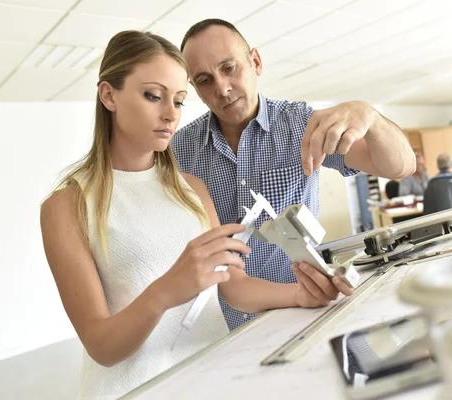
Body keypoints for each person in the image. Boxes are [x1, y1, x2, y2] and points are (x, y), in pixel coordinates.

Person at [39, 30, 353, 400]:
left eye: (180, 100)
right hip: (135, 389)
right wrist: (168, 289)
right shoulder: (67, 206)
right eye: (153, 96)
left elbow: (233, 288)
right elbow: (101, 346)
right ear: (109, 95)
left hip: (213, 378)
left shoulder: (191, 189)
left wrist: (302, 295)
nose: (170, 114)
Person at [171, 18, 416, 330]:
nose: (222, 87)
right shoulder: (181, 152)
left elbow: (400, 166)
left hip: (305, 312)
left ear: (255, 61)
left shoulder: (300, 124)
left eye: (229, 67)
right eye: (204, 80)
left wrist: (371, 117)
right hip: (225, 326)